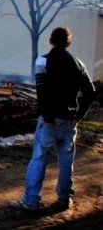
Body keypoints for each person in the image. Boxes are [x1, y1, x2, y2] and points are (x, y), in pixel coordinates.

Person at [9, 27, 96, 212]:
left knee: (39, 159)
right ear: (68, 43)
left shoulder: (43, 61)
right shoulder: (79, 64)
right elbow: (90, 92)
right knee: (66, 162)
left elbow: (42, 91)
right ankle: (64, 199)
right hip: (69, 122)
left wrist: (47, 117)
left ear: (50, 40)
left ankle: (31, 201)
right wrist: (78, 116)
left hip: (49, 121)